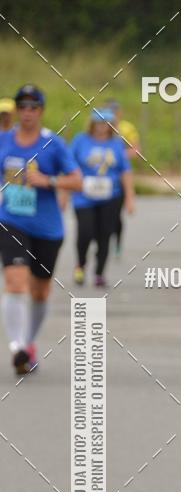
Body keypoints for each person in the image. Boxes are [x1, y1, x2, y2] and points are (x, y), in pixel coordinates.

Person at [0, 85, 81, 374]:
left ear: (41, 111)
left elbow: (77, 181)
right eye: (22, 106)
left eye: (33, 106)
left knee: (40, 292)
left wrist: (49, 181)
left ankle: (28, 343)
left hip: (47, 228)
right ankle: (17, 346)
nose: (27, 112)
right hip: (11, 221)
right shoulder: (3, 141)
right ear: (17, 110)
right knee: (15, 282)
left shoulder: (53, 144)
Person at [70, 107, 135, 287]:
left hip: (110, 197)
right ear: (92, 123)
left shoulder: (116, 143)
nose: (101, 127)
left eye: (105, 123)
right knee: (85, 232)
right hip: (83, 197)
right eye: (98, 123)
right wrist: (64, 191)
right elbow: (68, 166)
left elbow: (125, 171)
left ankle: (99, 272)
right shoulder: (80, 140)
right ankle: (80, 265)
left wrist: (129, 197)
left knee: (104, 235)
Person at [104, 99, 140, 255]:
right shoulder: (100, 127)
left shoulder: (126, 128)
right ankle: (102, 240)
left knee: (116, 213)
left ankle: (117, 242)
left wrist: (118, 156)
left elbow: (136, 151)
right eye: (109, 111)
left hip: (121, 174)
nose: (113, 115)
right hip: (103, 174)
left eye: (115, 112)